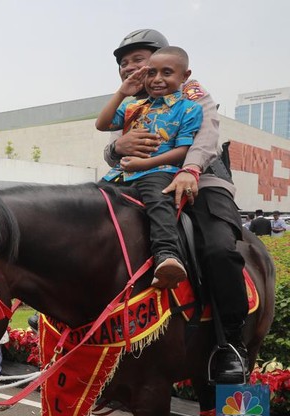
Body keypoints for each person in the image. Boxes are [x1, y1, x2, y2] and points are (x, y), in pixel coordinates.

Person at [103, 29, 250, 382]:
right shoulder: (131, 102)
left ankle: (232, 344)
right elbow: (112, 147)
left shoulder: (191, 92)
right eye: (124, 64)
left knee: (218, 250)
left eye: (139, 60)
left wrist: (190, 169)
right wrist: (117, 149)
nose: (131, 69)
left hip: (199, 182)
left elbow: (207, 134)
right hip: (138, 183)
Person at [97, 45, 201, 289]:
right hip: (121, 173)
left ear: (185, 76)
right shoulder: (133, 106)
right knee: (89, 199)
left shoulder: (190, 108)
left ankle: (167, 255)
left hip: (158, 172)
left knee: (158, 201)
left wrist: (145, 163)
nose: (157, 79)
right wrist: (122, 92)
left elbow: (182, 151)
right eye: (151, 73)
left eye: (166, 73)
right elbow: (102, 124)